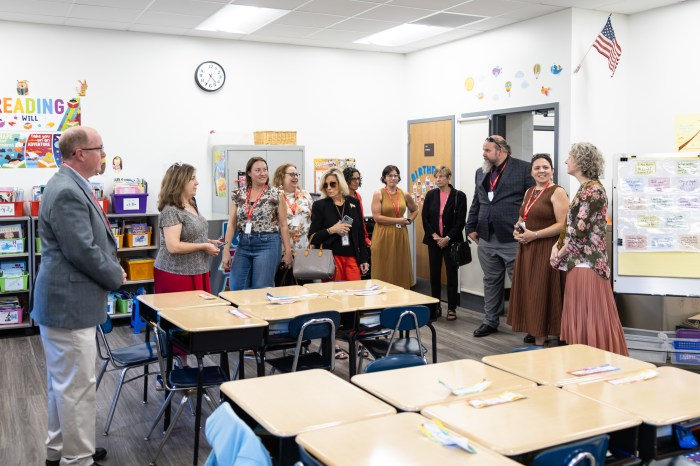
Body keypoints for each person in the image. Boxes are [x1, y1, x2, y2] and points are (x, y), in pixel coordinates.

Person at [31, 126, 125, 466]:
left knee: (63, 385)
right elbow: (81, 250)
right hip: (68, 306)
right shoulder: (67, 190)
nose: (104, 154)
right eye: (100, 148)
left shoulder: (68, 184)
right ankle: (78, 459)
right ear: (80, 154)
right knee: (77, 388)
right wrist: (116, 274)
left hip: (63, 304)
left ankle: (61, 449)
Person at [550, 143, 628, 355]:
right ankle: (586, 361)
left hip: (588, 264)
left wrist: (559, 253)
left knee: (591, 317)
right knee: (586, 318)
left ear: (581, 162)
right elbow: (573, 229)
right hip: (582, 263)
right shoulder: (587, 189)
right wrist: (557, 248)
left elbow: (579, 234)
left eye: (570, 157)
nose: (566, 161)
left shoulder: (592, 190)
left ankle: (595, 360)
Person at [466, 135, 535, 337]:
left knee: (522, 283)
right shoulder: (481, 172)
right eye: (483, 149)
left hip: (513, 237)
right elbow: (477, 200)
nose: (483, 154)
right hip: (486, 236)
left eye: (487, 150)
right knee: (490, 281)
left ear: (501, 150)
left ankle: (531, 326)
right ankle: (490, 321)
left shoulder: (523, 169)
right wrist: (470, 226)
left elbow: (533, 201)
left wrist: (526, 228)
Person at [507, 154, 569, 346]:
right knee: (530, 292)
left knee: (541, 293)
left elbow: (563, 225)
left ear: (552, 170)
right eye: (537, 168)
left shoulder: (557, 192)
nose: (542, 171)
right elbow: (522, 218)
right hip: (527, 249)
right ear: (531, 171)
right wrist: (517, 230)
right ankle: (536, 336)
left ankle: (542, 339)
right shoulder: (529, 192)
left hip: (546, 249)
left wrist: (535, 235)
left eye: (545, 167)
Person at [222, 157, 292, 290]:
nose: (263, 173)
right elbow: (231, 224)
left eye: (265, 170)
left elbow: (283, 225)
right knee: (236, 287)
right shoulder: (239, 194)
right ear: (249, 173)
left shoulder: (276, 194)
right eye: (258, 170)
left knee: (261, 289)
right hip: (243, 244)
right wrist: (226, 250)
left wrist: (288, 251)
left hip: (268, 244)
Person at [154, 163, 222, 294]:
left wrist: (208, 241)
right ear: (179, 182)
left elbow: (189, 235)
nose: (197, 183)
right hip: (177, 273)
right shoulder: (171, 210)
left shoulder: (191, 202)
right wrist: (203, 246)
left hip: (198, 269)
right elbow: (173, 246)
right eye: (192, 179)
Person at [421, 166, 467, 321]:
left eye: (441, 176)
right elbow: (425, 218)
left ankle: (452, 308)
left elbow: (460, 222)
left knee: (451, 275)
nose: (438, 180)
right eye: (436, 177)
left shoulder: (459, 196)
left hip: (451, 242)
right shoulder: (431, 195)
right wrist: (435, 236)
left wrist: (447, 238)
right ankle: (436, 306)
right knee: (434, 275)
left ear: (449, 178)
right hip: (434, 242)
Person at [308, 168, 369, 281]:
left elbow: (360, 233)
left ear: (340, 184)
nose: (329, 188)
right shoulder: (320, 205)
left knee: (355, 293)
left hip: (352, 257)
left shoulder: (353, 202)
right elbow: (312, 238)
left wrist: (363, 259)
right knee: (333, 295)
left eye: (332, 184)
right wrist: (332, 230)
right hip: (331, 259)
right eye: (325, 185)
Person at [370, 165, 418, 288]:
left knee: (400, 265)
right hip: (383, 234)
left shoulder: (404, 193)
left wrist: (409, 220)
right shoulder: (378, 193)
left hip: (400, 233)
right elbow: (377, 217)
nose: (393, 178)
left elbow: (415, 210)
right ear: (384, 178)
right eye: (390, 175)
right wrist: (398, 220)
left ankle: (402, 295)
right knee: (383, 264)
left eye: (395, 175)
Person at [272, 163, 313, 285]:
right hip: (283, 250)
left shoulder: (305, 195)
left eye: (296, 174)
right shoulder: (274, 197)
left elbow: (314, 219)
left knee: (305, 287)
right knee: (284, 285)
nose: (295, 177)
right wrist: (285, 250)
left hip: (305, 250)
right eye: (291, 174)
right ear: (281, 177)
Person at [343, 167, 371, 247]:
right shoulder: (341, 196)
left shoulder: (358, 196)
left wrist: (365, 238)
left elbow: (361, 219)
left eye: (358, 179)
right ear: (346, 180)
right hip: (344, 234)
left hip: (357, 234)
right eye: (353, 179)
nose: (357, 182)